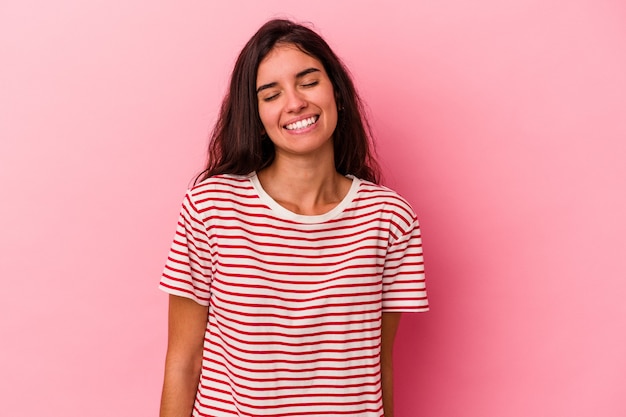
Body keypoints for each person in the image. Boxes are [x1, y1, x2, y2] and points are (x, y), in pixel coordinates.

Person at [159, 18, 428, 417]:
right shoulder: (211, 207)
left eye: (308, 81)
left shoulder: (389, 218)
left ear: (336, 91)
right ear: (259, 118)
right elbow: (183, 363)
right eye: (271, 94)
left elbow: (377, 367)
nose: (295, 102)